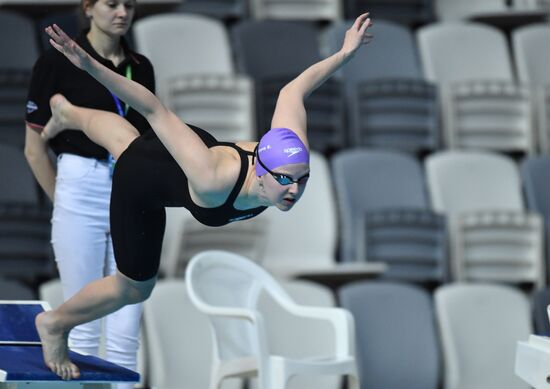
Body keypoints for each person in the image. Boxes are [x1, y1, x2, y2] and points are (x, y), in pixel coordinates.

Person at [36, 13, 373, 380]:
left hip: (187, 153)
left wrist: (345, 54)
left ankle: (68, 112)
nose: (295, 189)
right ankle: (55, 323)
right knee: (132, 286)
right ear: (261, 168)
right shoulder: (213, 178)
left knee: (124, 139)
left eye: (303, 180)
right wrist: (89, 65)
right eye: (286, 180)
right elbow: (153, 108)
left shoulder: (290, 151)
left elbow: (291, 91)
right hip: (146, 181)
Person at [24, 1, 155, 385]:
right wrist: (63, 203)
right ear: (88, 8)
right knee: (81, 324)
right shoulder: (54, 64)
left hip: (132, 187)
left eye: (129, 4)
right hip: (80, 184)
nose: (121, 12)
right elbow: (34, 150)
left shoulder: (141, 67)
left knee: (126, 325)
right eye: (111, 3)